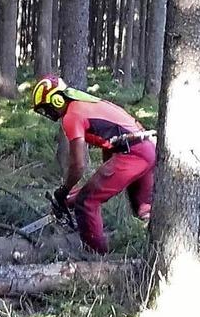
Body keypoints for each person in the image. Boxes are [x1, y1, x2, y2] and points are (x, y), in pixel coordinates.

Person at [31, 74, 155, 254]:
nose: (48, 113)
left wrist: (64, 190)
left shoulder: (72, 115)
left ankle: (97, 260)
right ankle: (148, 254)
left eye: (47, 108)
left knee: (87, 202)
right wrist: (70, 197)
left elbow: (78, 166)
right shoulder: (89, 104)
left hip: (133, 153)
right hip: (144, 148)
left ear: (57, 100)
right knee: (144, 211)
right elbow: (110, 147)